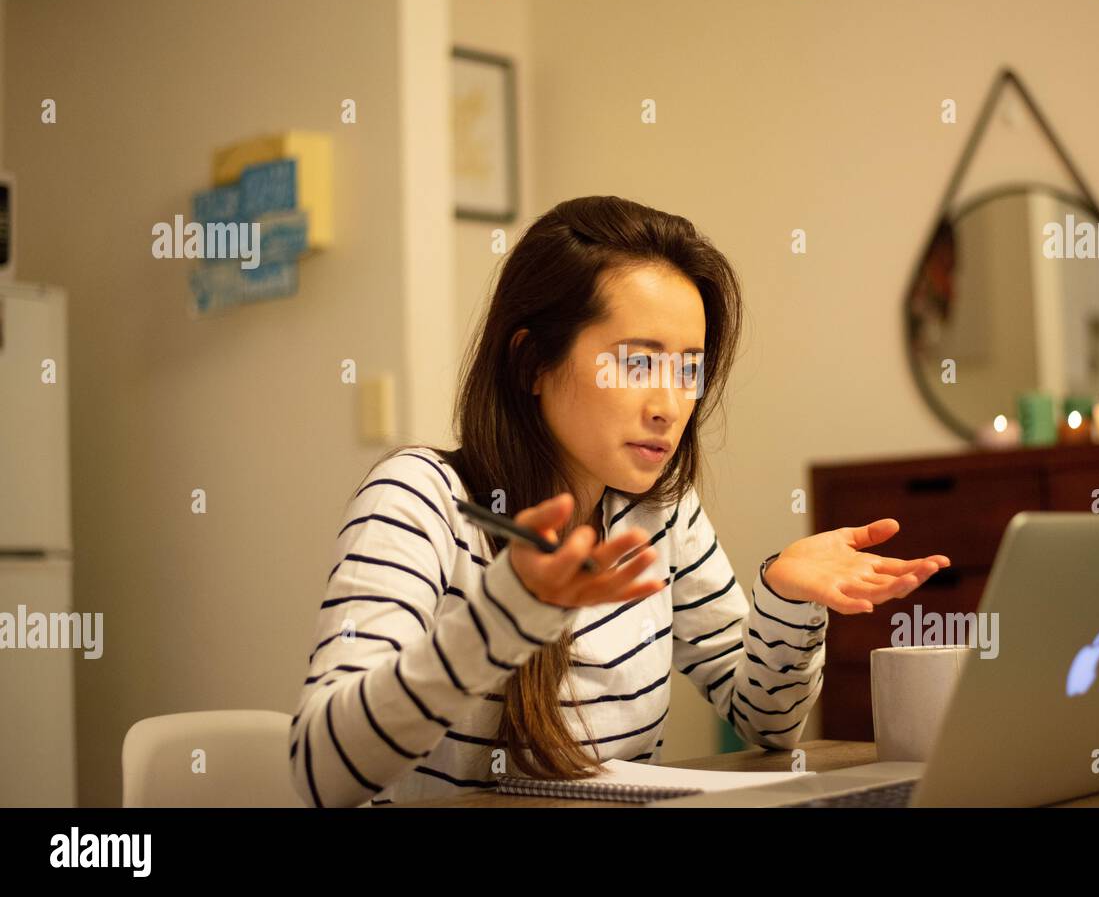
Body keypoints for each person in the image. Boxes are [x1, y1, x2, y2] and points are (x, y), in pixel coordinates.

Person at [288, 195, 949, 807]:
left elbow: (766, 724)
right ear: (531, 363)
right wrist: (500, 619)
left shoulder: (658, 510)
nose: (669, 406)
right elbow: (323, 772)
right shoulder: (423, 500)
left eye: (688, 368)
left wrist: (788, 597)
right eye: (637, 363)